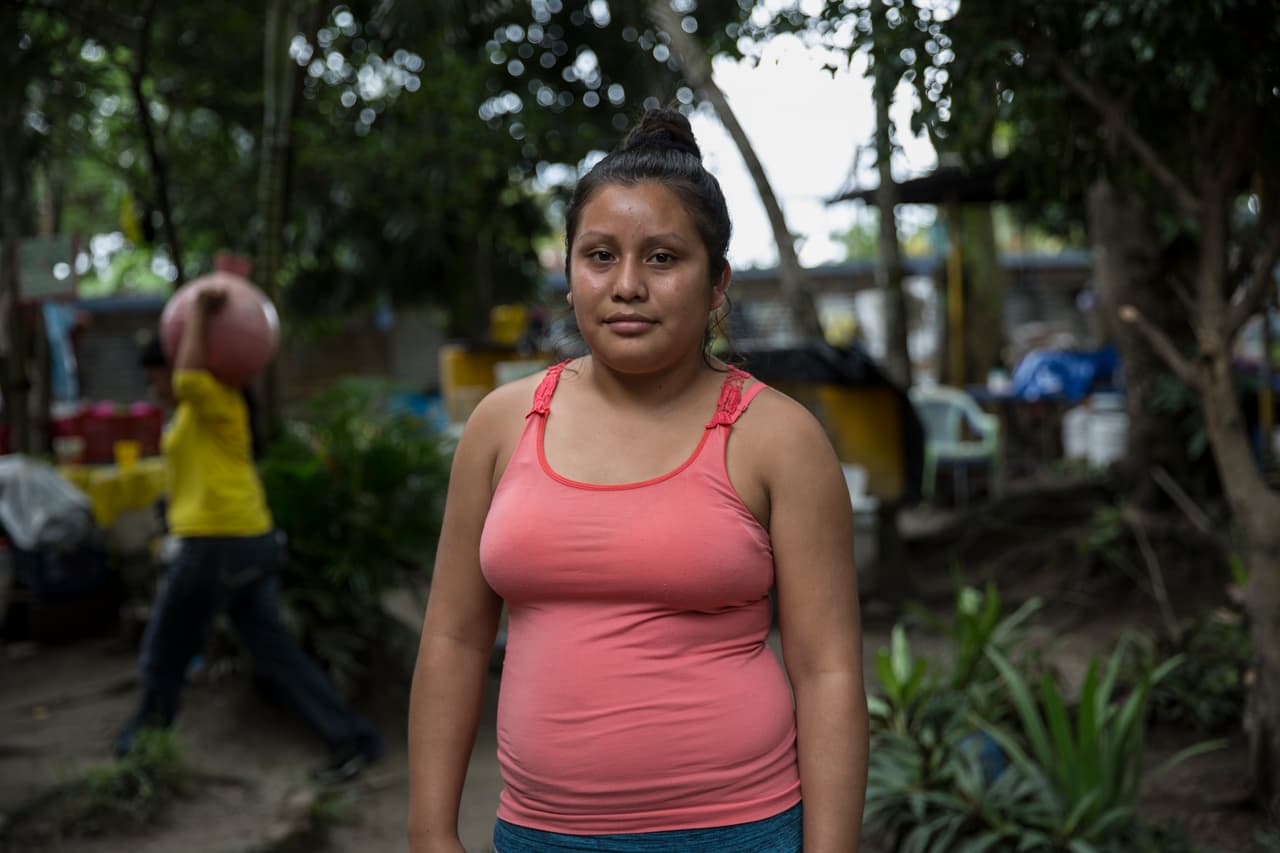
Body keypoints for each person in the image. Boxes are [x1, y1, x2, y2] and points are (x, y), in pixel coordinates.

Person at [407, 107, 868, 852]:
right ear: (567, 275)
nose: (627, 285)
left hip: (738, 832)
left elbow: (829, 671)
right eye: (599, 256)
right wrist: (429, 829)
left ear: (716, 282)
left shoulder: (779, 438)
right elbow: (455, 637)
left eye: (661, 258)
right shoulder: (501, 424)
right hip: (538, 835)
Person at [117, 287, 383, 784]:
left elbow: (191, 374)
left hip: (218, 544)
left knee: (164, 650)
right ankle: (353, 740)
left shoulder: (212, 396)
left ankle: (141, 751)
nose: (155, 385)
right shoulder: (203, 409)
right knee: (274, 654)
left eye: (156, 374)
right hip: (245, 541)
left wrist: (197, 311)